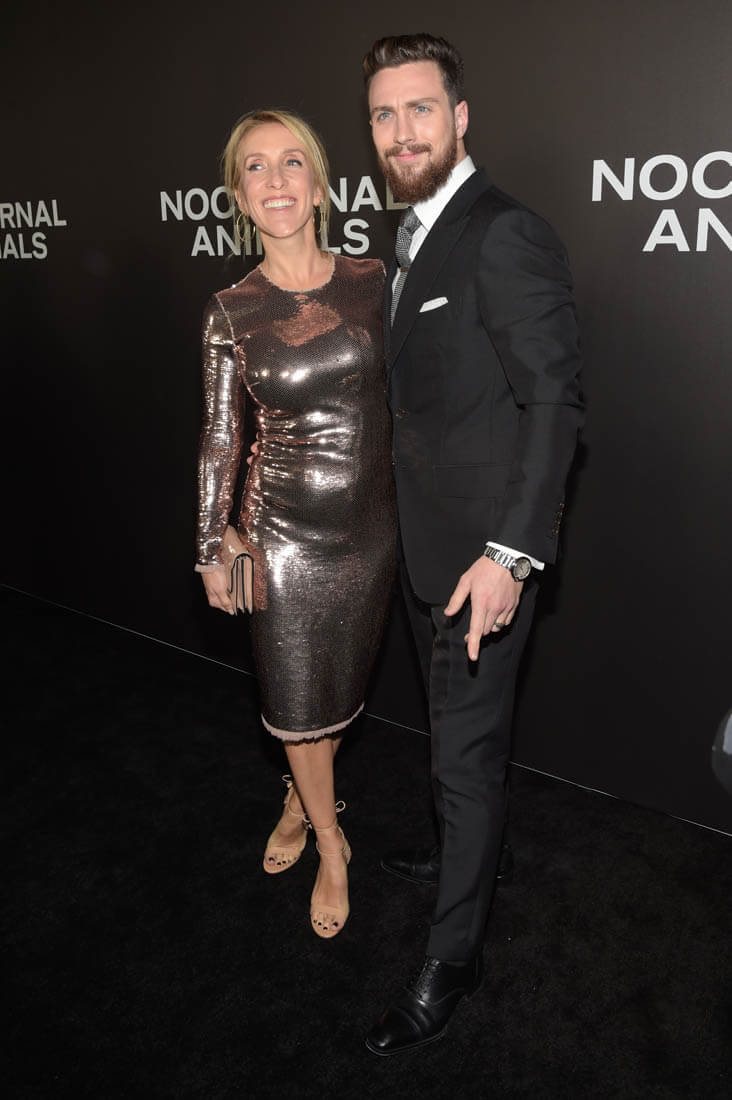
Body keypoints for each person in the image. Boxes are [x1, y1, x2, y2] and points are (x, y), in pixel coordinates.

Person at [361, 35, 584, 1054]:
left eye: (420, 109)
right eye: (383, 114)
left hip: (482, 565)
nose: (401, 131)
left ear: (459, 117)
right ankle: (473, 853)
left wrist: (510, 554)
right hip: (426, 546)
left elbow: (554, 402)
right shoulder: (408, 234)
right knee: (455, 744)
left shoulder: (504, 232)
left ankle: (455, 956)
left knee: (464, 752)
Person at [195, 109, 396, 940]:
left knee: (337, 695)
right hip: (277, 539)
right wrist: (212, 544)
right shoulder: (231, 309)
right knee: (293, 696)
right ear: (239, 194)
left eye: (290, 163)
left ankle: (298, 796)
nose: (274, 180)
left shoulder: (375, 280)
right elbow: (220, 438)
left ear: (318, 183)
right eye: (255, 167)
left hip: (373, 532)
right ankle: (331, 841)